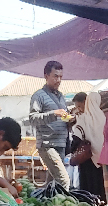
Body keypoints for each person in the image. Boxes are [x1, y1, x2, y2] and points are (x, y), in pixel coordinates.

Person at [29, 61, 72, 189]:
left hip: (61, 144)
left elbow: (62, 117)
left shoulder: (61, 97)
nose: (58, 80)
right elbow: (32, 118)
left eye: (60, 77)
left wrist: (70, 120)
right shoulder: (38, 96)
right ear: (46, 76)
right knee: (64, 180)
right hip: (48, 145)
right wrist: (54, 113)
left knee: (52, 184)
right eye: (55, 76)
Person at [72, 92, 106, 201]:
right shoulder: (103, 117)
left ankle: (88, 205)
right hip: (102, 157)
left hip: (86, 156)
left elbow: (76, 137)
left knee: (87, 184)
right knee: (100, 183)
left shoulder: (82, 119)